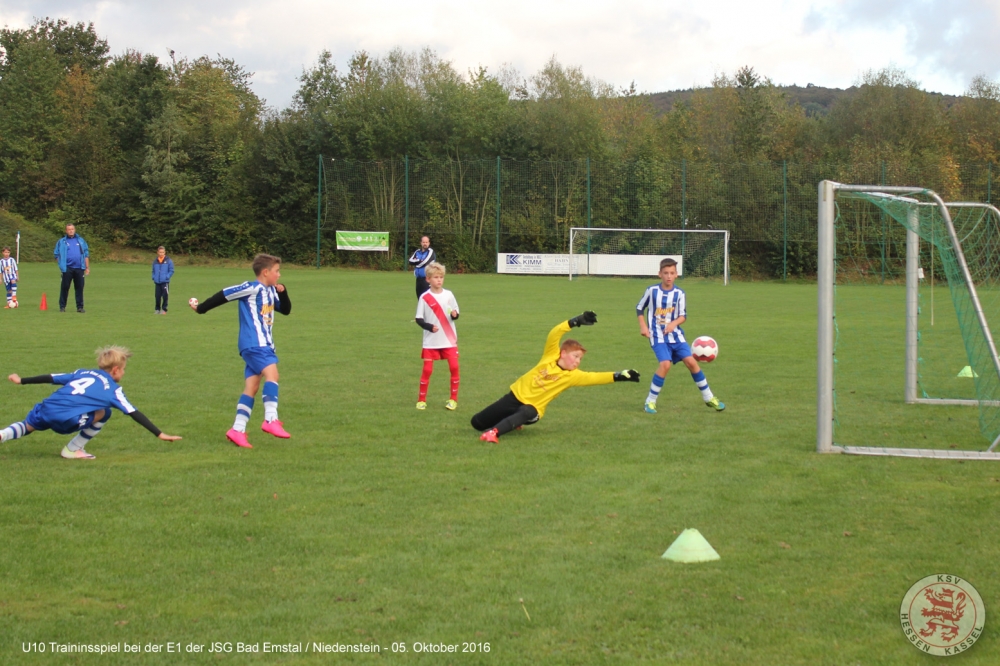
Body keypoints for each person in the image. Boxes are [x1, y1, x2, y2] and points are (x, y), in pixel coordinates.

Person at [471, 312, 640, 443]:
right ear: (563, 353)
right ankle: (511, 422)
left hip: (532, 409)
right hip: (513, 398)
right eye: (575, 356)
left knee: (527, 410)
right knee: (477, 423)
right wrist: (575, 321)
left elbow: (595, 377)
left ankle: (493, 433)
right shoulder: (550, 356)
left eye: (580, 359)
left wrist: (620, 375)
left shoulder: (573, 376)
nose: (577, 361)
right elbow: (554, 333)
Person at [0, 345, 182, 460]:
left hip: (48, 407)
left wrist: (21, 380)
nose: (124, 374)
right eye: (124, 370)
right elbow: (133, 412)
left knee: (28, 425)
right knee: (106, 412)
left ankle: (3, 435)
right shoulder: (113, 389)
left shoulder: (83, 372)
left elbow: (51, 378)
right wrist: (159, 434)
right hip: (67, 419)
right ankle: (72, 449)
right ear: (116, 370)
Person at [190, 253, 292, 448]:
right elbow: (224, 295)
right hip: (254, 344)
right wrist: (201, 308)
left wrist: (283, 292)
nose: (279, 275)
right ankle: (271, 419)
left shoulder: (270, 291)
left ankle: (237, 429)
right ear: (265, 272)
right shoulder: (251, 288)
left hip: (264, 344)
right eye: (277, 271)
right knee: (273, 374)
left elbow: (285, 310)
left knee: (251, 388)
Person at [637, 257, 725, 414]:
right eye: (665, 273)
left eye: (672, 273)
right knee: (665, 365)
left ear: (676, 274)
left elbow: (683, 315)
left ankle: (709, 398)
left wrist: (673, 324)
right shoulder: (652, 291)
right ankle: (650, 402)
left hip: (676, 336)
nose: (668, 276)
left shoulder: (679, 294)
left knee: (691, 362)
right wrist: (643, 326)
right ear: (660, 274)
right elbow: (639, 308)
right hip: (657, 336)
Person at [414, 262, 460, 411]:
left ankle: (453, 400)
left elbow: (455, 312)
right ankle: (421, 400)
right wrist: (428, 327)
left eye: (441, 277)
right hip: (431, 341)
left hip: (449, 339)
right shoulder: (425, 297)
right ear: (428, 279)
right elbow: (419, 319)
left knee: (454, 367)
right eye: (435, 277)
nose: (439, 280)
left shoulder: (449, 294)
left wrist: (455, 314)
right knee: (427, 370)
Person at [54, 223, 89, 313]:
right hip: (67, 268)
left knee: (79, 288)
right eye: (69, 229)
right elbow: (56, 254)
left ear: (75, 230)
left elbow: (86, 254)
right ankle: (62, 307)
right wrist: (61, 264)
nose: (71, 231)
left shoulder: (80, 241)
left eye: (72, 229)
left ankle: (80, 307)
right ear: (66, 231)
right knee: (65, 287)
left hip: (79, 268)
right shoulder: (62, 241)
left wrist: (87, 267)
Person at [152, 246, 175, 314]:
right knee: (157, 296)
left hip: (165, 282)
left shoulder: (169, 261)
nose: (161, 253)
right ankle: (157, 309)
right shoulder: (155, 261)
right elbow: (153, 271)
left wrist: (167, 277)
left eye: (163, 252)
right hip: (157, 282)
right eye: (160, 252)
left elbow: (171, 271)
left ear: (165, 252)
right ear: (157, 252)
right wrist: (154, 277)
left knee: (165, 296)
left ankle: (164, 309)